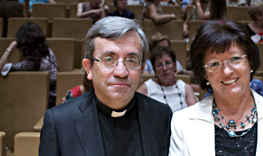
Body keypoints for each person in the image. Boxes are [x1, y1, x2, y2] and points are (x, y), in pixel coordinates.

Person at [39, 17, 172, 155]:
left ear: (142, 69)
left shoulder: (162, 116)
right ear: (89, 68)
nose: (121, 72)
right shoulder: (59, 122)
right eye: (108, 59)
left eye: (131, 60)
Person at [169, 20, 263, 155]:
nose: (227, 71)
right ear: (204, 74)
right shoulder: (182, 122)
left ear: (250, 61)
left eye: (235, 59)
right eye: (214, 64)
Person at [0, 22, 58, 108]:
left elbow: (1, 66)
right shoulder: (48, 51)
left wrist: (11, 46)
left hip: (48, 102)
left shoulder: (32, 64)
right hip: (52, 97)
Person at [137, 46, 196, 113]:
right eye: (159, 65)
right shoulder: (147, 88)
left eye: (168, 63)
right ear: (154, 70)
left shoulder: (186, 88)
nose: (164, 68)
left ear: (175, 65)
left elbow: (194, 115)